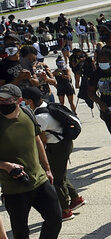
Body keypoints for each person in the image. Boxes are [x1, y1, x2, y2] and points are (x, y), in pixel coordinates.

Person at [0, 84, 63, 239]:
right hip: (13, 188)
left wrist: (47, 168)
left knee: (55, 217)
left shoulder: (27, 113)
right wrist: (7, 166)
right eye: (0, 100)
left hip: (39, 179)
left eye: (8, 100)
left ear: (19, 101)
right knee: (21, 232)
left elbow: (37, 140)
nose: (3, 104)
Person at [21, 86, 85, 222]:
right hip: (63, 143)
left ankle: (65, 210)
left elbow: (41, 140)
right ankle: (75, 198)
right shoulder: (47, 105)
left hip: (57, 147)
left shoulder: (39, 117)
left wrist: (40, 156)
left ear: (30, 101)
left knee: (56, 180)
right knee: (59, 173)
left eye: (23, 100)